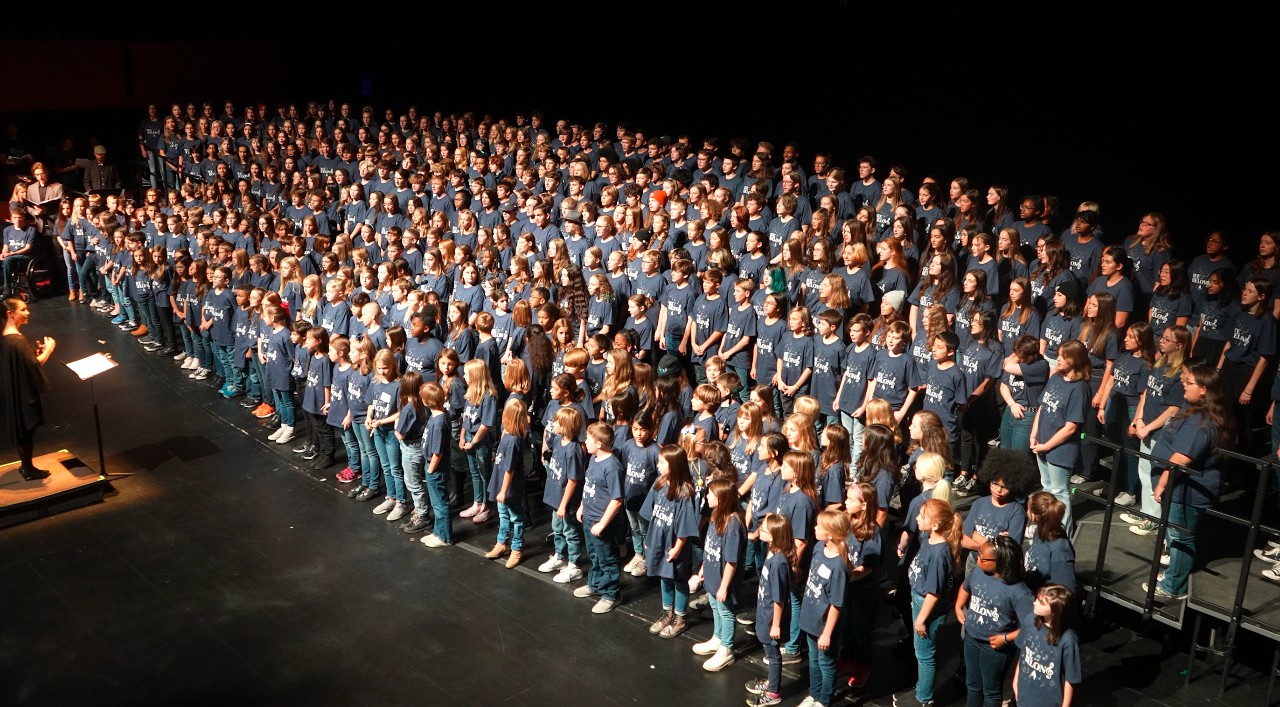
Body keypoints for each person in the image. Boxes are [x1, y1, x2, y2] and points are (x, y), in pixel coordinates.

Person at [1143, 363, 1234, 600]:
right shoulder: (1192, 409)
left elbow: (1181, 459)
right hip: (1177, 488)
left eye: (1189, 382)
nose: (1184, 384)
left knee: (1181, 535)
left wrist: (1162, 484)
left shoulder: (1201, 421)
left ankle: (1174, 586)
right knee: (1175, 534)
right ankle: (1175, 573)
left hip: (1186, 491)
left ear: (1204, 389)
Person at [955, 536, 1034, 707]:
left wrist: (1005, 638)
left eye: (983, 557)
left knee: (991, 691)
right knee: (972, 685)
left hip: (994, 648)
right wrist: (958, 606)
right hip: (971, 639)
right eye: (979, 553)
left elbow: (1032, 626)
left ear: (1000, 562)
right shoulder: (978, 572)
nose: (978, 558)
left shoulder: (1018, 592)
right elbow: (965, 587)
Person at [2, 298, 55, 480]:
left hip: (13, 390)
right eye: (23, 310)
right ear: (10, 314)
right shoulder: (18, 340)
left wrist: (36, 352)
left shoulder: (6, 338)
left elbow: (22, 361)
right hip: (24, 394)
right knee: (26, 431)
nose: (27, 313)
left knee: (23, 432)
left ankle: (26, 466)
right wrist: (48, 350)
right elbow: (33, 365)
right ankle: (27, 468)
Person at [1013, 585, 1082, 707]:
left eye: (1041, 602)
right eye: (1036, 599)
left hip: (1049, 701)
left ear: (1055, 610)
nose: (1034, 603)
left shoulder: (1068, 640)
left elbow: (1070, 679)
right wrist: (1015, 680)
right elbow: (1024, 654)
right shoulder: (1030, 620)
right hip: (1024, 695)